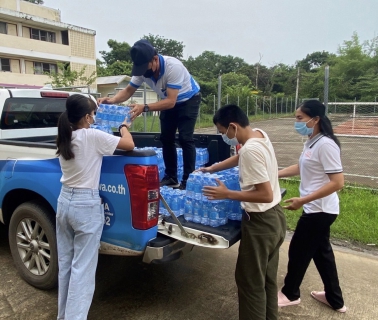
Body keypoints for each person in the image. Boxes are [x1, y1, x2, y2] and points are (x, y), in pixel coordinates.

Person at [201, 104, 286, 320]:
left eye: (223, 132)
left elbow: (264, 194)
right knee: (266, 279)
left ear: (232, 127)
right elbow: (240, 158)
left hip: (261, 223)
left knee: (250, 282)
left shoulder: (250, 149)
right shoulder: (259, 136)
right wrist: (213, 168)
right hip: (275, 217)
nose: (224, 137)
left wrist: (227, 194)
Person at [56, 94, 134, 320]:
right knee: (83, 271)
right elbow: (129, 145)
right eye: (93, 114)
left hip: (64, 202)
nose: (94, 117)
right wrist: (123, 126)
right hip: (85, 206)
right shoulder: (92, 136)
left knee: (66, 266)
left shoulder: (64, 134)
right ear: (88, 117)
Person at [97, 39, 201, 190]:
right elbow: (128, 91)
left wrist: (144, 107)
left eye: (145, 67)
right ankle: (171, 177)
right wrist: (111, 100)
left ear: (155, 59)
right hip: (168, 101)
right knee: (166, 138)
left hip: (188, 99)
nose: (143, 71)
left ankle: (188, 181)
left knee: (185, 138)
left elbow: (171, 101)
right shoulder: (143, 71)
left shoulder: (174, 67)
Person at [277, 100, 347, 313]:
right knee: (321, 253)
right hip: (317, 209)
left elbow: (338, 183)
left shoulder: (326, 144)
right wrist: (275, 173)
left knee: (298, 251)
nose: (296, 122)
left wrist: (302, 200)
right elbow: (302, 166)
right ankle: (335, 299)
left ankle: (290, 294)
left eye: (300, 118)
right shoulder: (312, 141)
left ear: (315, 119)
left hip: (320, 210)